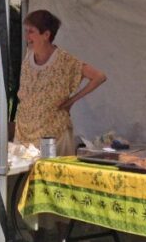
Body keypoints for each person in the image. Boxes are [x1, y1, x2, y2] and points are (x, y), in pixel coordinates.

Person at [14, 9, 107, 156]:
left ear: (46, 35)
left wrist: (71, 101)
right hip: (24, 130)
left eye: (31, 32)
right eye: (26, 31)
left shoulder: (64, 60)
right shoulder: (29, 55)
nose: (27, 36)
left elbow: (99, 77)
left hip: (53, 134)